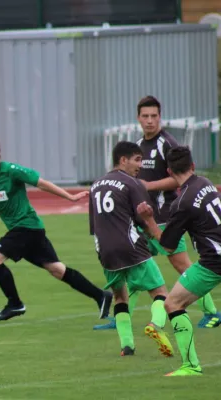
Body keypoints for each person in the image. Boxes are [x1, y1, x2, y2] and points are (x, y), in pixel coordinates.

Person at [0, 136, 112, 321]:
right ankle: (101, 296)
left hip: (26, 227)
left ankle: (15, 304)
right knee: (57, 269)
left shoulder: (11, 171)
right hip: (31, 231)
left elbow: (41, 183)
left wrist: (70, 197)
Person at [94, 96, 221, 330]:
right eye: (145, 116)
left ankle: (212, 312)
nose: (150, 121)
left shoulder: (167, 143)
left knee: (184, 267)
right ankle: (122, 317)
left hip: (168, 218)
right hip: (145, 219)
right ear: (138, 118)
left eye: (154, 116)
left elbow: (180, 178)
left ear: (160, 117)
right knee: (133, 263)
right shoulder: (139, 145)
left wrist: (147, 186)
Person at [137, 146, 221, 376]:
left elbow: (167, 245)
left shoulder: (182, 203)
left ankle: (191, 366)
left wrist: (148, 220)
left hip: (214, 262)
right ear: (193, 167)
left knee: (172, 304)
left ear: (169, 171)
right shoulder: (205, 182)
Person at [89, 141, 173, 357]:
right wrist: (158, 239)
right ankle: (155, 324)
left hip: (104, 251)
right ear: (123, 160)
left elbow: (94, 226)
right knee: (160, 291)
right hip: (131, 247)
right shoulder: (133, 184)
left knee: (120, 297)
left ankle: (127, 346)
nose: (140, 165)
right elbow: (144, 219)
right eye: (137, 160)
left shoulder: (95, 185)